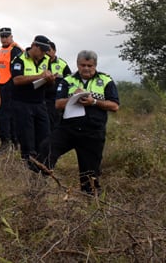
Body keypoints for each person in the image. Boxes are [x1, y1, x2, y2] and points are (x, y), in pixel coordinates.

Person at [36, 50, 120, 195]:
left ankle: (91, 199)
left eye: (90, 65)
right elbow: (58, 104)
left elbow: (114, 106)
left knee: (90, 174)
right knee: (46, 149)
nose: (86, 68)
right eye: (82, 65)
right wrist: (73, 98)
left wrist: (94, 101)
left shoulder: (106, 80)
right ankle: (38, 187)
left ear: (95, 65)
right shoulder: (68, 80)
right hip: (68, 129)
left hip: (93, 132)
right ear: (77, 64)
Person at [11, 35, 54, 164]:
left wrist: (50, 79)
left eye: (45, 52)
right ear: (34, 46)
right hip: (22, 103)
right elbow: (17, 80)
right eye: (41, 50)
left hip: (40, 103)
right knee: (27, 138)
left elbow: (49, 82)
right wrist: (39, 76)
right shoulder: (19, 59)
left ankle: (42, 165)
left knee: (45, 135)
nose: (43, 54)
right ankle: (28, 165)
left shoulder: (46, 59)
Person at [0, 27, 22, 155]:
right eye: (2, 36)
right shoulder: (2, 50)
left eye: (6, 36)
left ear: (11, 37)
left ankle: (10, 141)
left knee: (6, 115)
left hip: (10, 85)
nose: (4, 39)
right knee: (4, 115)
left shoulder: (15, 50)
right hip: (1, 84)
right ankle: (9, 141)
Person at [45, 41, 71, 130]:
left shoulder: (62, 64)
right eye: (45, 50)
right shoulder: (42, 62)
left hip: (56, 98)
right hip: (43, 97)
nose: (47, 53)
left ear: (54, 51)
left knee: (55, 122)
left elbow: (69, 80)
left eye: (49, 50)